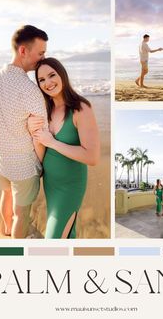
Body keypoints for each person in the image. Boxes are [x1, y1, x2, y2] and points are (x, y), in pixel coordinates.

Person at [0, 25, 49, 238]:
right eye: (40, 53)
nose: (42, 58)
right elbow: (40, 137)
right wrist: (40, 165)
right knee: (22, 214)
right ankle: (17, 249)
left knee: (6, 194)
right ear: (23, 51)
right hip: (22, 166)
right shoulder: (30, 90)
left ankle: (5, 229)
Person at [27, 57, 100, 239]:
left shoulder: (81, 108)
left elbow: (92, 157)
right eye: (41, 80)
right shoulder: (45, 110)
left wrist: (52, 142)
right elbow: (43, 158)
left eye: (52, 75)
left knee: (54, 239)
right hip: (50, 184)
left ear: (62, 75)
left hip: (70, 187)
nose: (47, 83)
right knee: (67, 235)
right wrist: (35, 135)